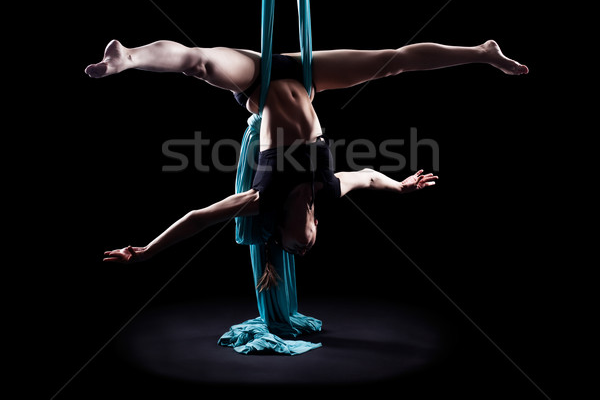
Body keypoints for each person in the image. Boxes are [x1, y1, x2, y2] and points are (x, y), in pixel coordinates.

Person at [94, 39, 526, 262]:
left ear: (279, 233)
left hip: (255, 82)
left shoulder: (261, 200)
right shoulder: (328, 189)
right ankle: (483, 53)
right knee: (392, 61)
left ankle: (127, 58)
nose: (304, 248)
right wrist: (400, 188)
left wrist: (148, 250)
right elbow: (370, 176)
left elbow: (196, 219)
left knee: (200, 64)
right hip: (307, 76)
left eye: (295, 249)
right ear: (316, 227)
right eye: (309, 248)